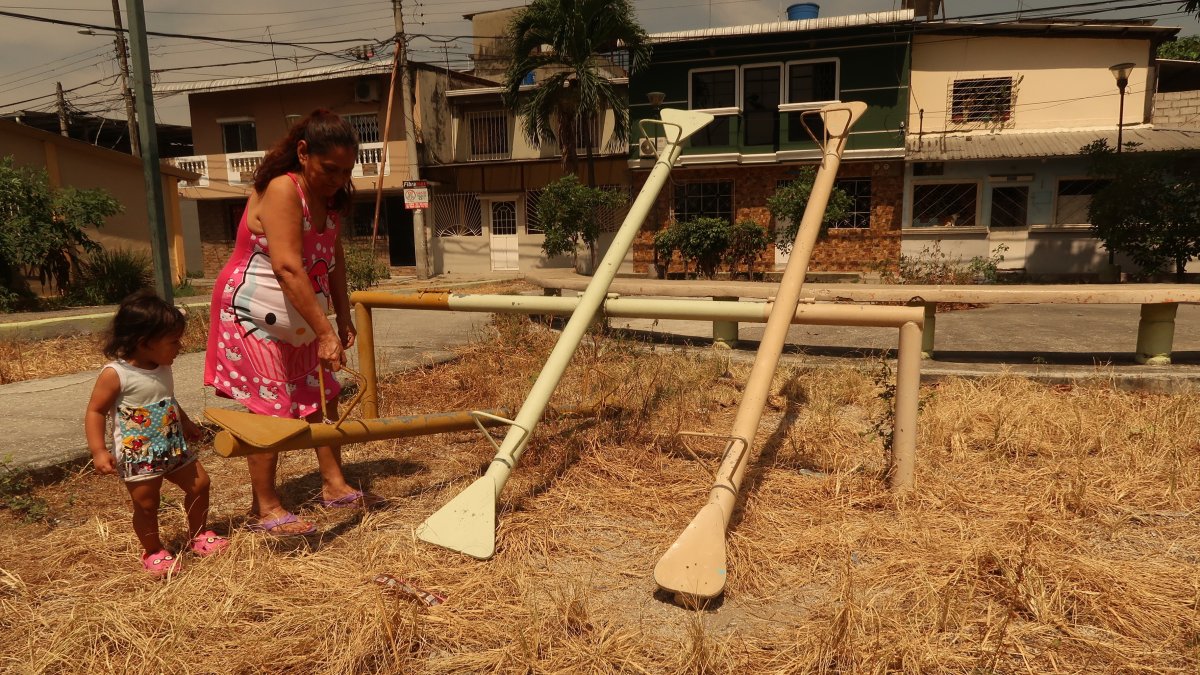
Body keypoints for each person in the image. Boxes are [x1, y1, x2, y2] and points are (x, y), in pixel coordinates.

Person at [204, 109, 378, 536]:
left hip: (302, 316)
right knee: (271, 410)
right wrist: (323, 331)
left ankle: (334, 484)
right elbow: (286, 267)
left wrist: (339, 317)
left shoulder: (332, 199)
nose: (337, 179)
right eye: (329, 168)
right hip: (252, 317)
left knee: (326, 398)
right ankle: (265, 507)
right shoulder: (283, 189)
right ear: (303, 153)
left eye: (346, 171)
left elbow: (332, 263)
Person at [85, 291, 229, 578]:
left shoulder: (162, 367)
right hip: (139, 453)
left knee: (200, 484)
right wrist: (99, 450)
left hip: (173, 446)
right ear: (145, 342)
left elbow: (168, 398)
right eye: (174, 341)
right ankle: (153, 550)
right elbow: (95, 412)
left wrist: (185, 422)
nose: (180, 346)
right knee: (147, 504)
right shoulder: (116, 374)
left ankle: (198, 535)